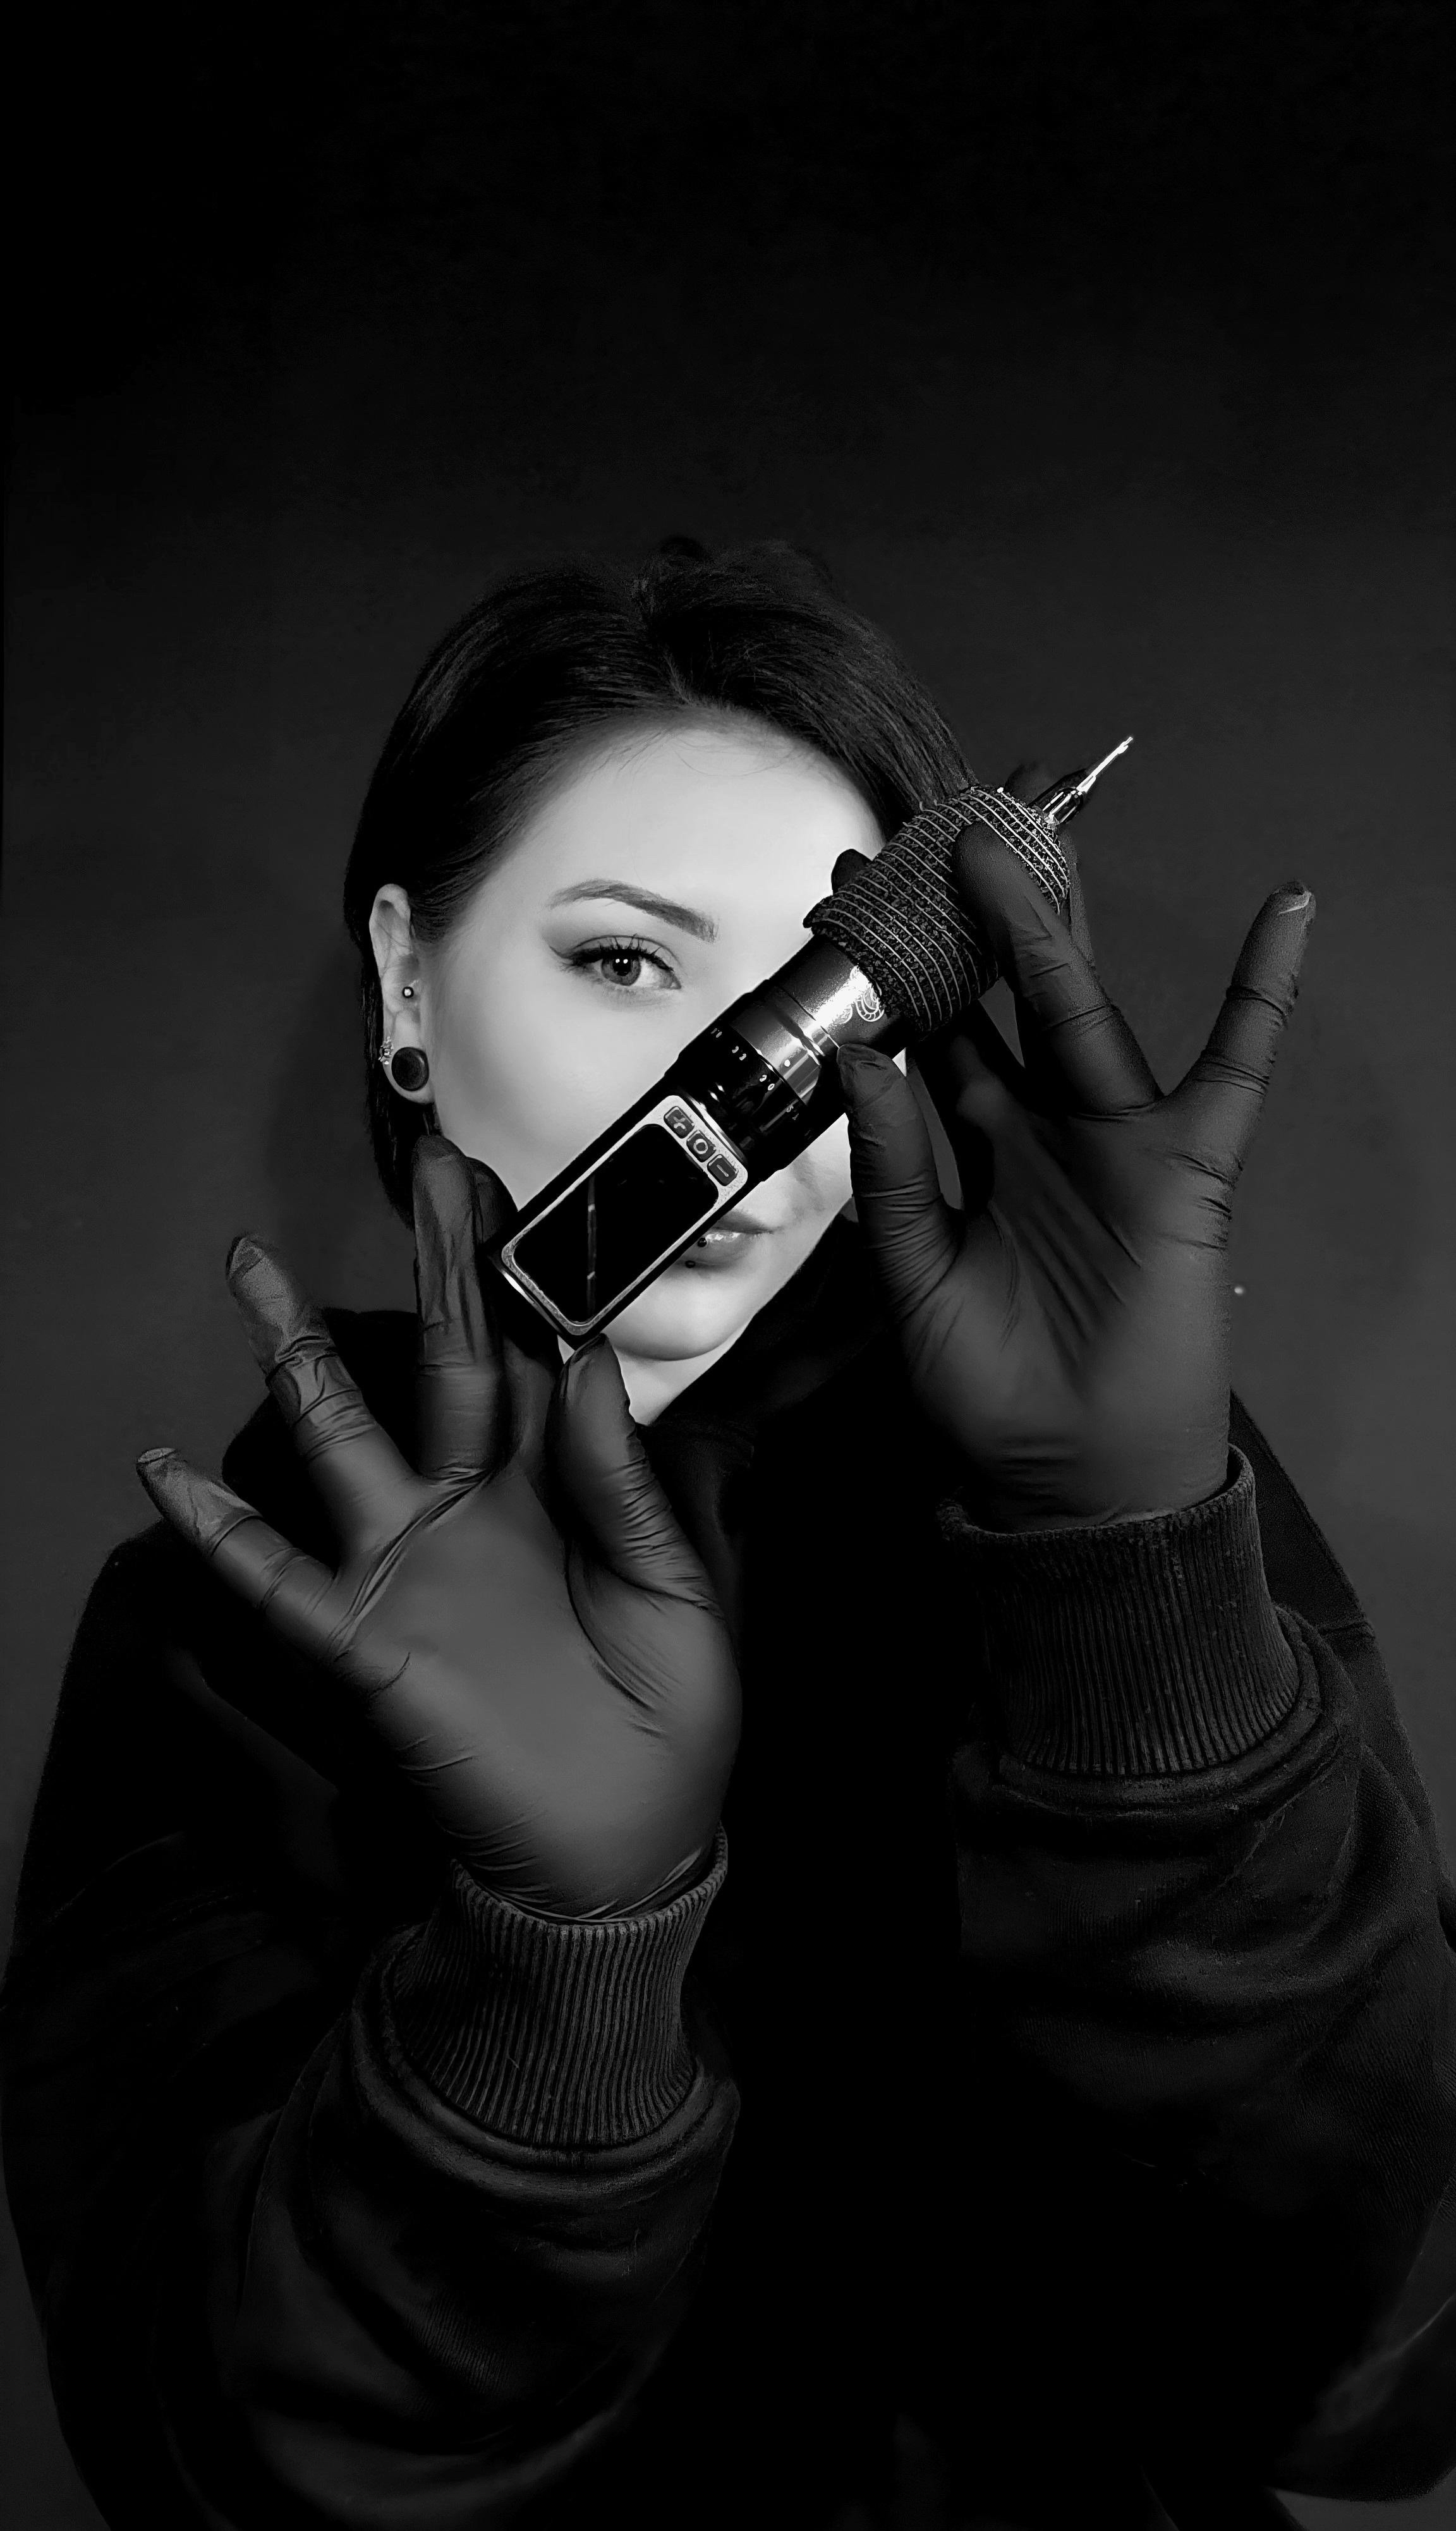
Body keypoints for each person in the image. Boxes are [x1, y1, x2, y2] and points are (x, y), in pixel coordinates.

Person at [3, 541, 1452, 2531]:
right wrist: (557, 1969)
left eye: (822, 996)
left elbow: (1385, 2383)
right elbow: (238, 2480)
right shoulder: (231, 1630)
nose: (743, 1104)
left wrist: (1137, 1609)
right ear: (410, 979)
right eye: (624, 961)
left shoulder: (1112, 1503)